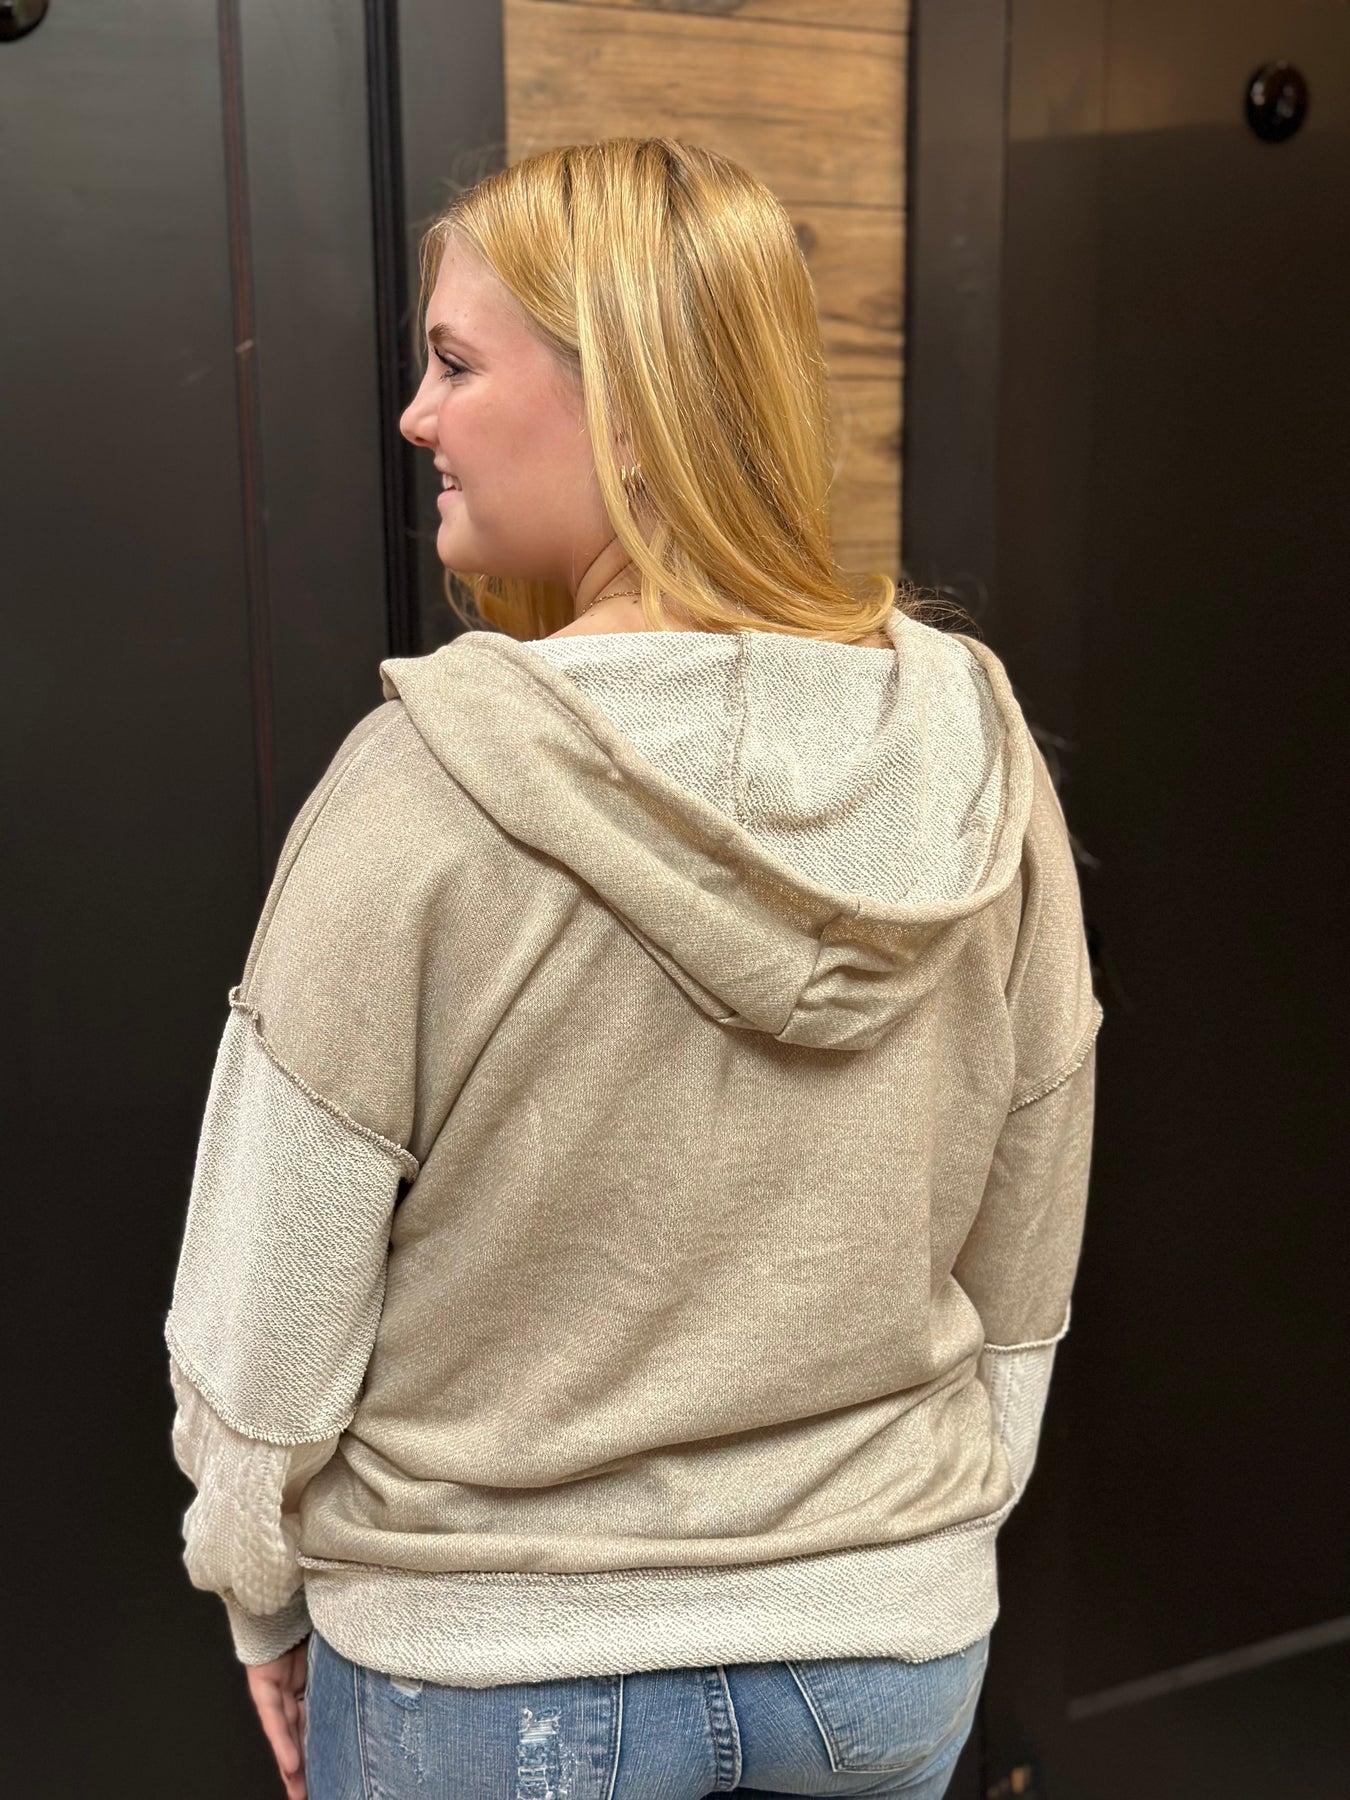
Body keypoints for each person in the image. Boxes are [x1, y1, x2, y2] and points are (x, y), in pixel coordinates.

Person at [164, 137, 1102, 1800]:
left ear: (633, 404)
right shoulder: (973, 749)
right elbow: (1029, 1225)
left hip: (495, 1671)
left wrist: (258, 1593)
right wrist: (921, 1532)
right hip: (886, 1656)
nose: (416, 418)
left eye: (455, 363)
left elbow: (269, 1311)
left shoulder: (420, 785)